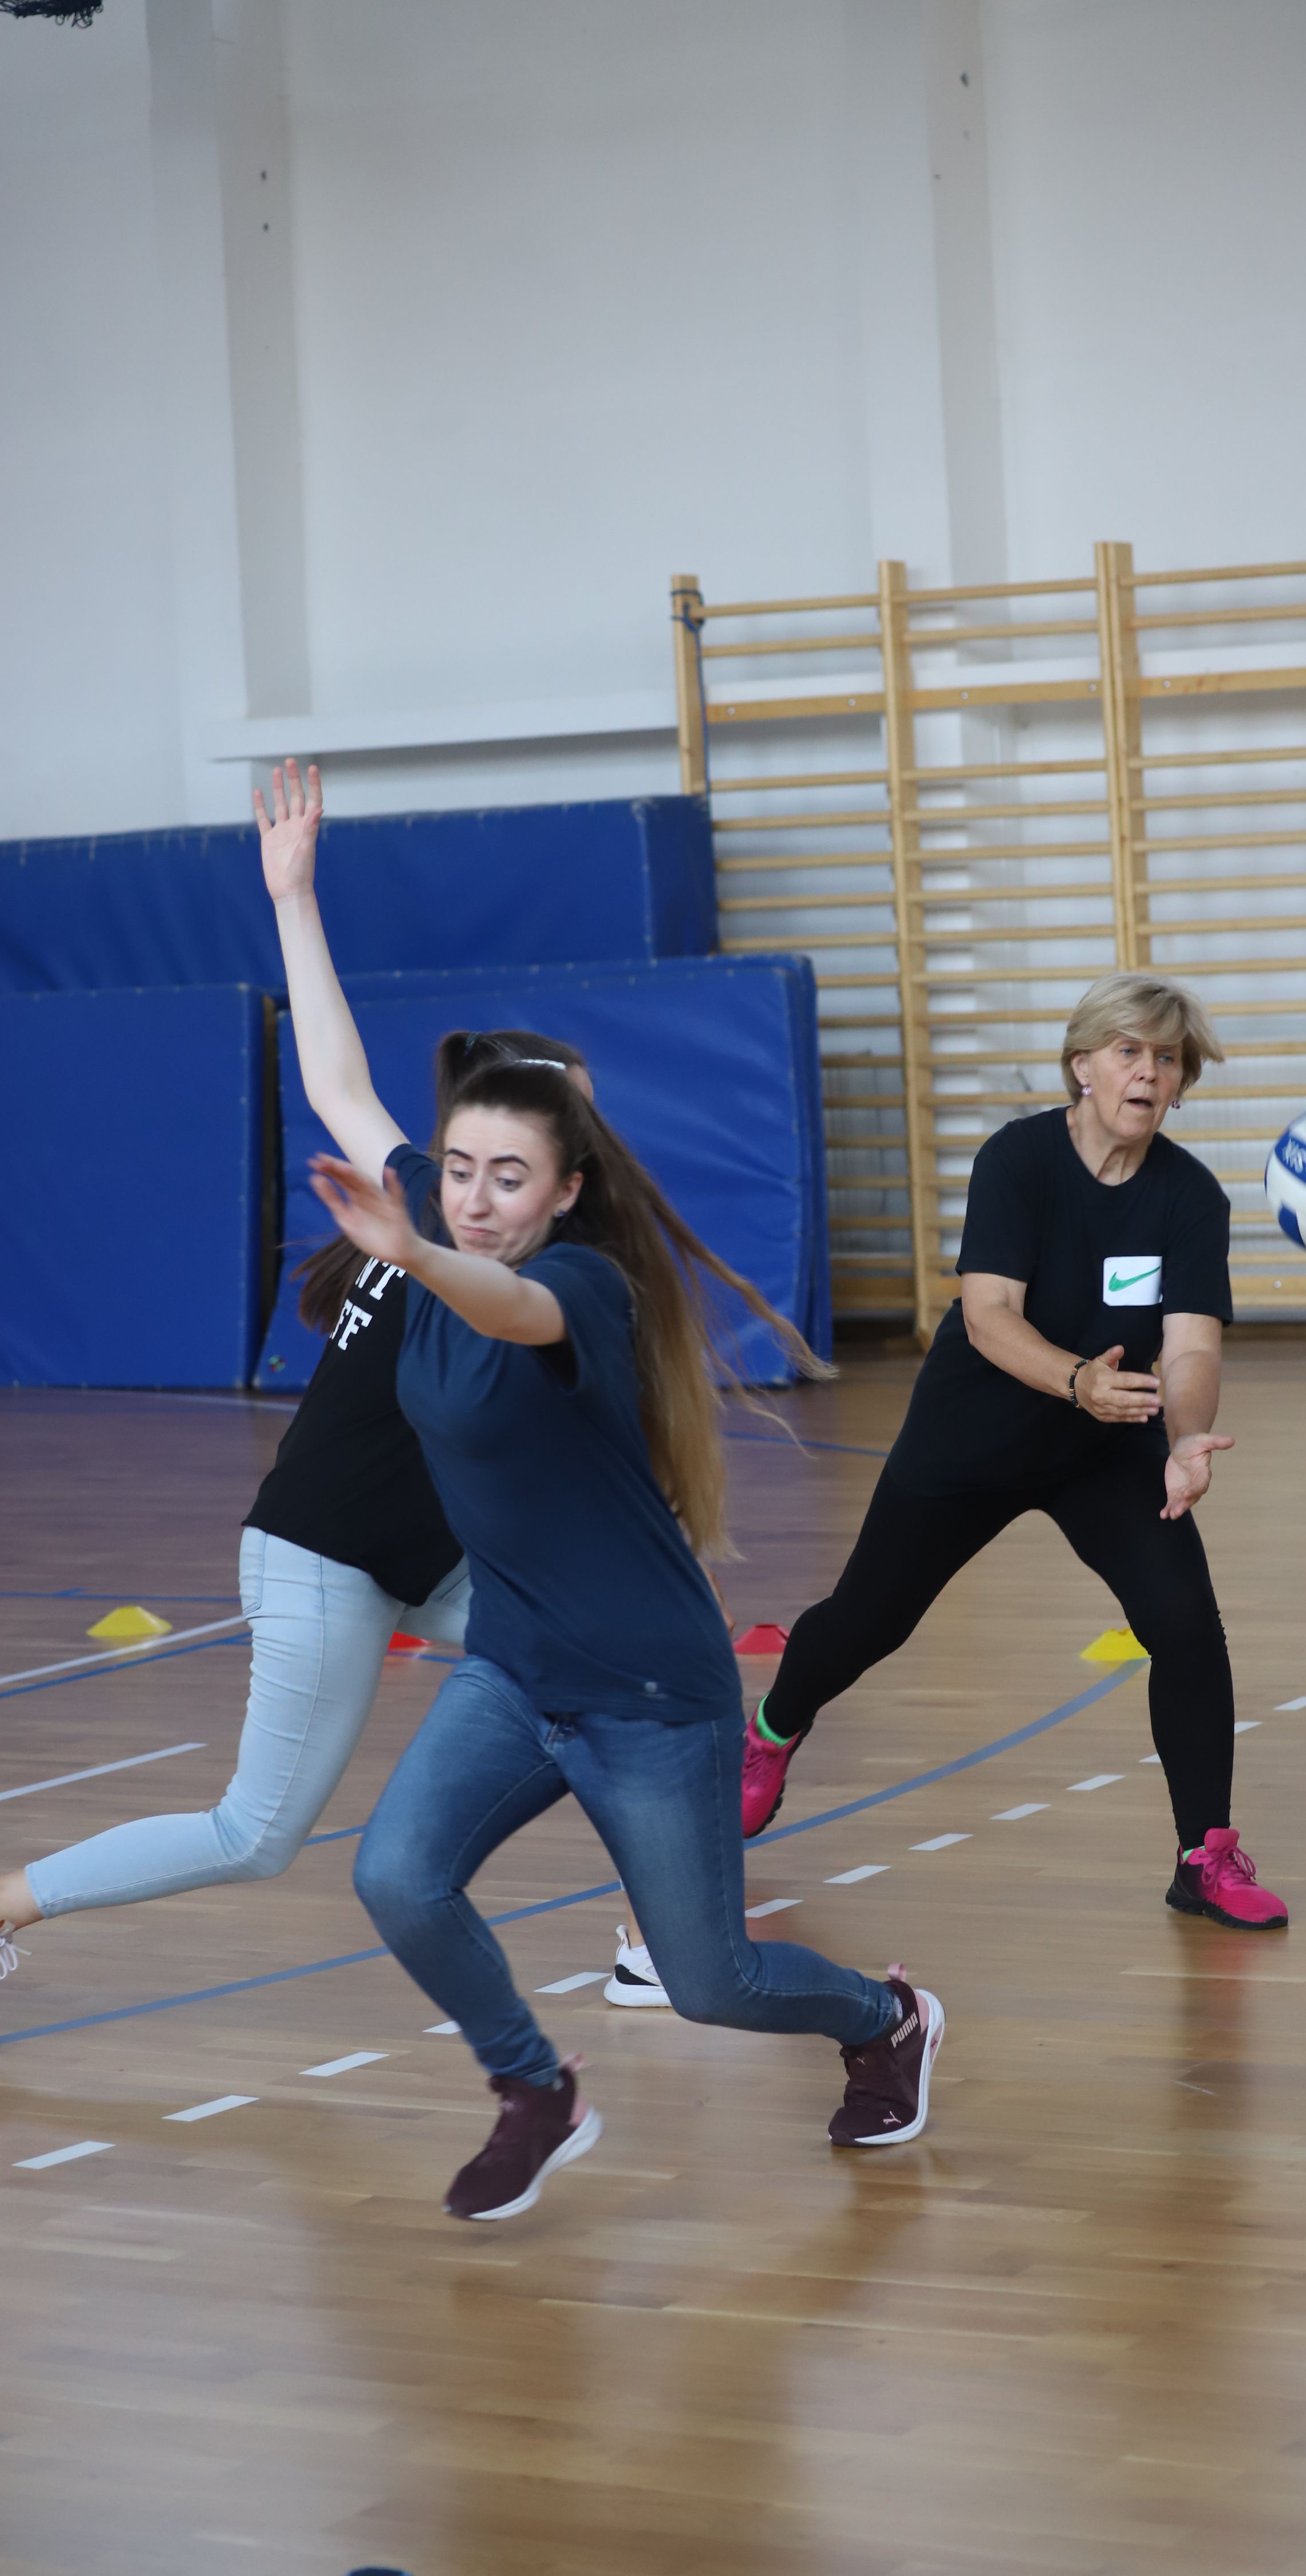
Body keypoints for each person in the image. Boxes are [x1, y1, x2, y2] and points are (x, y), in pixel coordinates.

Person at [258, 758, 943, 2219]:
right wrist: (295, 899)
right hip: (516, 1672)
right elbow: (334, 1082)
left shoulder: (581, 1289)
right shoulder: (438, 1221)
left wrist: (418, 1252)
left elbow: (505, 1311)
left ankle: (886, 2019)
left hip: (648, 1695)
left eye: (508, 1177)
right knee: (397, 1877)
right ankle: (535, 2088)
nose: (473, 1195)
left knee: (712, 1982)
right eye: (456, 1170)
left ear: (565, 1191)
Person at [0, 1024, 578, 1965]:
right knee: (254, 1836)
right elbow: (338, 1085)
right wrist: (296, 924)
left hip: (423, 1560)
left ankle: (662, 1934)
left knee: (608, 1665)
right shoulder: (450, 1224)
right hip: (324, 1560)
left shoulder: (494, 1235)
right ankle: (8, 1903)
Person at [741, 969, 1287, 1933]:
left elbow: (1191, 1348)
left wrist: (1186, 1437)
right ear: (1082, 1067)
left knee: (1186, 1624)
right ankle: (773, 1729)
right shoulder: (1018, 1161)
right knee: (869, 1620)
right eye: (1128, 1052)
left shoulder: (1190, 1198)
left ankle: (1204, 1856)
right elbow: (990, 1315)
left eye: (1167, 1059)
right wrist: (1077, 1380)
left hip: (1105, 1444)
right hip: (977, 1431)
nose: (1148, 1073)